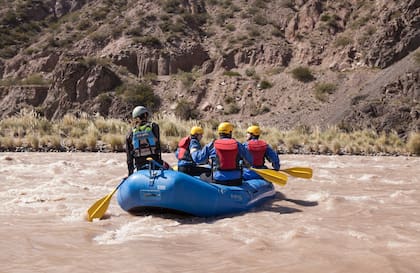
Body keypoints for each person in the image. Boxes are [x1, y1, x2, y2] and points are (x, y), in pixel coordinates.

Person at [200, 122, 253, 186]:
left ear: (219, 133)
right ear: (230, 133)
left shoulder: (211, 145)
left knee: (202, 176)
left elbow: (199, 159)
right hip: (236, 180)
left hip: (218, 179)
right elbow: (250, 160)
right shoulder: (238, 145)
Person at [125, 105, 163, 176]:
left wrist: (130, 174)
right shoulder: (154, 127)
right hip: (155, 163)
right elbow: (158, 147)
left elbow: (129, 158)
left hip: (140, 167)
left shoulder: (130, 133)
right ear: (145, 115)